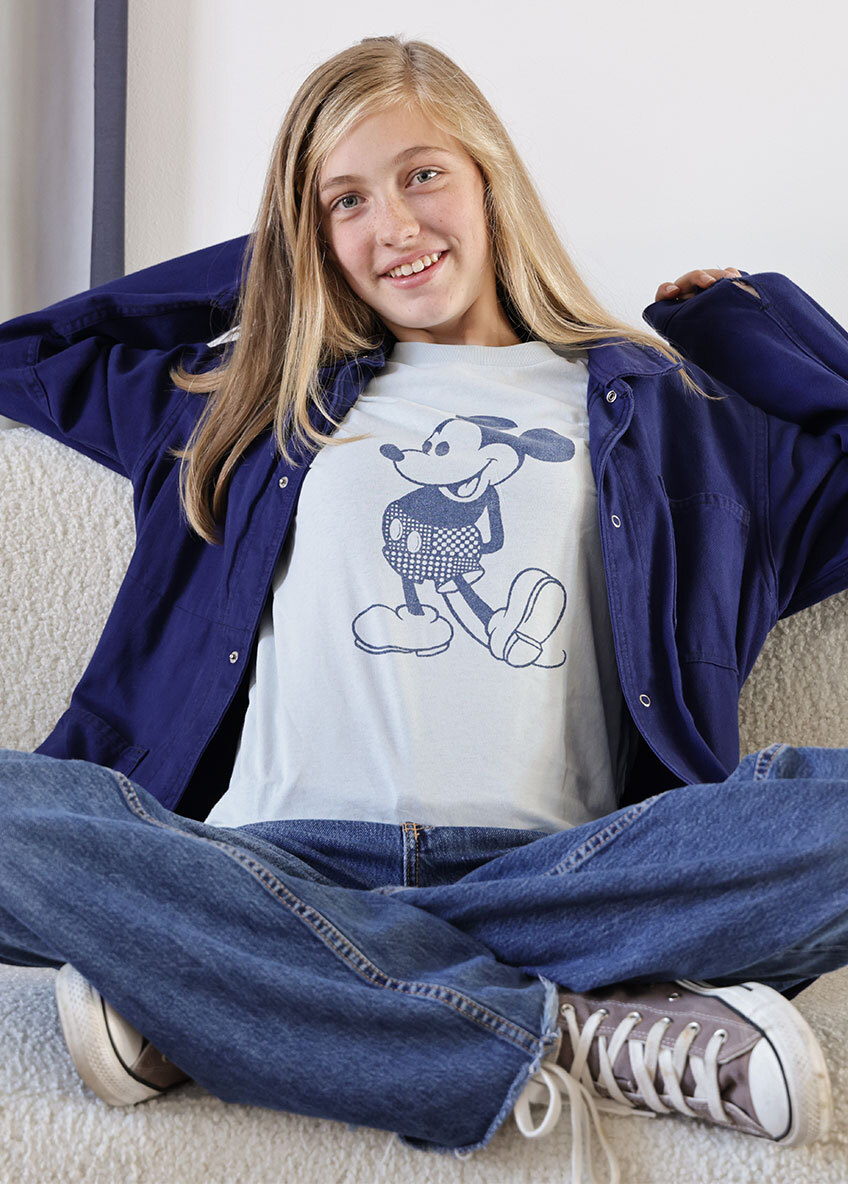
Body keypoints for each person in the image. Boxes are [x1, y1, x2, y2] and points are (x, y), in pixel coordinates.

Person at [1, 32, 847, 1181]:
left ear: (491, 178)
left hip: (574, 871)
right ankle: (568, 1025)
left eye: (421, 175)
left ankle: (230, 987)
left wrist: (747, 321)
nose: (392, 224)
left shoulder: (674, 411)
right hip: (269, 859)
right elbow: (29, 350)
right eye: (343, 200)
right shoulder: (236, 400)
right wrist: (280, 262)